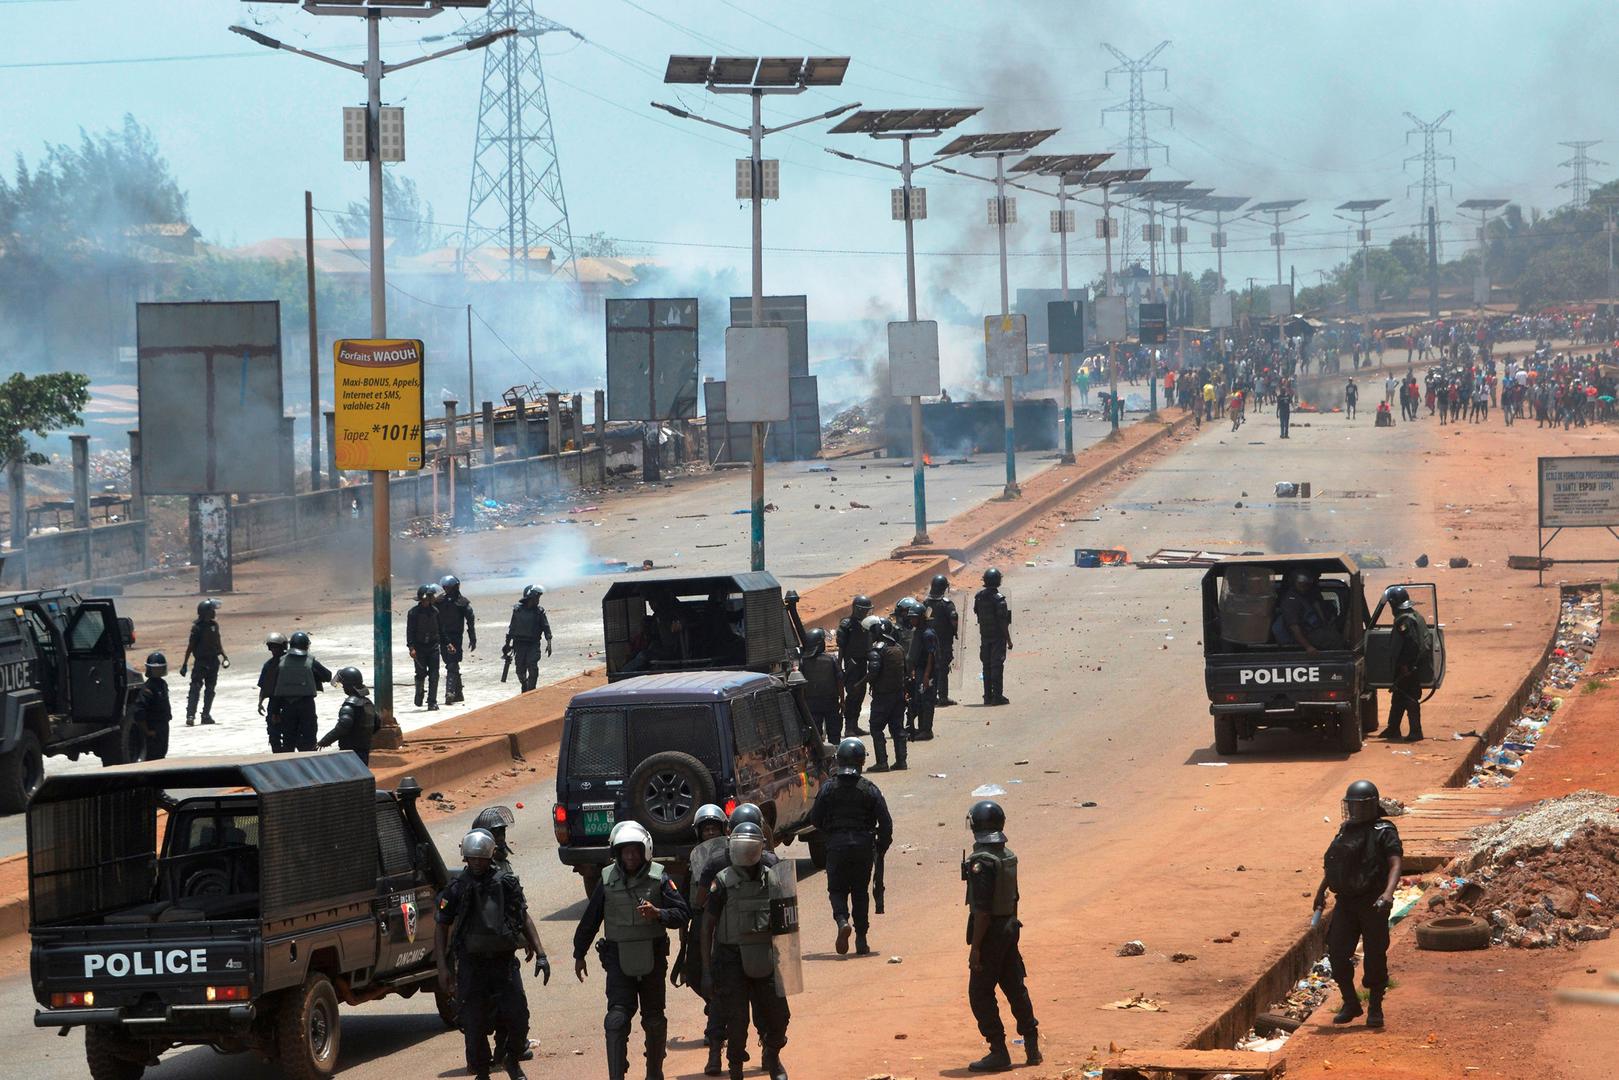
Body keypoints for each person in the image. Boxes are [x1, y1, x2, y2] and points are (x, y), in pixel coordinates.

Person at [574, 821, 690, 1080]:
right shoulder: (606, 880)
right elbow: (591, 919)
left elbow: (683, 913)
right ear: (616, 853)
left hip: (652, 957)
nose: (630, 856)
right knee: (615, 1020)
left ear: (645, 850)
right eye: (625, 851)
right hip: (618, 959)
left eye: (634, 851)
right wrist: (579, 953)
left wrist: (658, 913)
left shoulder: (660, 878)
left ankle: (654, 1073)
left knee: (654, 1020)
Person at [436, 829, 548, 1080]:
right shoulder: (456, 889)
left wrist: (540, 953)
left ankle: (511, 1059)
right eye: (471, 858)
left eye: (480, 858)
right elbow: (441, 926)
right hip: (471, 966)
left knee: (518, 1016)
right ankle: (482, 1071)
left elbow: (523, 916)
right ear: (465, 858)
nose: (476, 862)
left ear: (489, 857)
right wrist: (442, 968)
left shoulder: (505, 883)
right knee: (473, 1023)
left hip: (504, 964)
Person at [702, 821, 791, 1080]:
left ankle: (772, 1055)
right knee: (737, 1022)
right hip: (731, 960)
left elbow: (787, 924)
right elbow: (707, 926)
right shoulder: (722, 882)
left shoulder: (773, 879)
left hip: (765, 957)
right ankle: (736, 1069)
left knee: (779, 1017)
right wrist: (707, 971)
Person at [1313, 780, 1402, 1030]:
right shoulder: (1345, 830)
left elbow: (1395, 863)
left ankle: (1375, 1006)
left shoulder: (1384, 831)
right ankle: (1350, 1002)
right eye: (1351, 805)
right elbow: (1336, 864)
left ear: (1372, 806)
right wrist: (1321, 892)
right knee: (1337, 954)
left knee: (1375, 956)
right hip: (1346, 903)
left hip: (1373, 903)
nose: (1355, 810)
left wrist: (1387, 894)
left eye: (1359, 806)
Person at [962, 800, 1039, 1072]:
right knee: (1014, 986)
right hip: (1009, 927)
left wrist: (976, 949)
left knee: (980, 993)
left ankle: (998, 1051)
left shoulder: (981, 861)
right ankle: (1032, 1045)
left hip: (991, 932)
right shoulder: (1007, 855)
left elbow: (982, 912)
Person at [809, 738, 893, 958]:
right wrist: (881, 847)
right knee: (860, 892)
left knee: (837, 890)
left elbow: (815, 819)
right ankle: (862, 939)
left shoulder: (828, 788)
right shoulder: (869, 789)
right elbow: (886, 823)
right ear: (861, 762)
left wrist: (831, 834)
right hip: (863, 847)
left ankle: (841, 920)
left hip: (836, 846)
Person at [682, 805, 733, 1075]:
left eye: (714, 827)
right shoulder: (694, 861)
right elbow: (687, 901)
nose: (710, 832)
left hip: (729, 920)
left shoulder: (736, 856)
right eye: (705, 828)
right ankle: (713, 1005)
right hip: (702, 919)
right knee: (694, 974)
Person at [1379, 586, 1431, 742]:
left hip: (1409, 665)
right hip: (1414, 664)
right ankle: (1393, 728)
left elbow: (1411, 644)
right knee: (1399, 695)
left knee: (1409, 697)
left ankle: (1416, 731)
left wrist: (1405, 666)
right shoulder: (1414, 615)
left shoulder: (1404, 620)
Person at [275, 631, 332, 752]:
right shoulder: (310, 662)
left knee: (288, 739)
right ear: (307, 646)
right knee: (309, 738)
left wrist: (275, 711)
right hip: (306, 705)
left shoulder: (281, 662)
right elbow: (327, 676)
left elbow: (276, 687)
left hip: (286, 705)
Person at [864, 616, 908, 773]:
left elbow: (874, 672)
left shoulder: (878, 650)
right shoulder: (899, 648)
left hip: (882, 696)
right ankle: (901, 761)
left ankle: (882, 762)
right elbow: (906, 672)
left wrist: (860, 684)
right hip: (898, 695)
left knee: (876, 727)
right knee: (898, 728)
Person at [180, 599, 228, 726]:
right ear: (205, 612)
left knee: (210, 689)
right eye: (211, 610)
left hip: (213, 661)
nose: (213, 613)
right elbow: (190, 647)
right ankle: (190, 715)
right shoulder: (197, 628)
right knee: (195, 688)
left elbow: (217, 643)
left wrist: (224, 656)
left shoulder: (214, 626)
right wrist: (184, 664)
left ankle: (206, 715)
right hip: (201, 662)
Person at [317, 666, 378, 764]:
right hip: (364, 749)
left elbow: (342, 727)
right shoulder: (368, 703)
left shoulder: (349, 706)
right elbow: (377, 723)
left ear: (348, 685)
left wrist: (324, 741)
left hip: (349, 751)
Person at [1276, 570, 1345, 652]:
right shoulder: (1291, 600)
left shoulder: (1306, 598)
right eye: (1301, 583)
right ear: (1294, 582)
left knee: (1335, 636)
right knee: (1334, 639)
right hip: (1303, 636)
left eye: (1306, 583)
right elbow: (1293, 627)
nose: (1304, 586)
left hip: (1311, 633)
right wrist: (1308, 647)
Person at [834, 596, 874, 736]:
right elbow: (841, 647)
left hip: (863, 663)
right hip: (852, 664)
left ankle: (855, 725)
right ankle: (849, 727)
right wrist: (839, 665)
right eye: (864, 610)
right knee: (852, 694)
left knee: (861, 693)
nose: (865, 613)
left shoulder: (867, 624)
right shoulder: (847, 625)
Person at [973, 568, 1013, 706]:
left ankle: (987, 696)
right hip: (997, 638)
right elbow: (1003, 622)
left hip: (985, 636)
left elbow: (977, 613)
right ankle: (997, 696)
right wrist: (1008, 640)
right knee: (997, 666)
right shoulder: (999, 599)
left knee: (986, 666)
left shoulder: (978, 597)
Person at [437, 574, 478, 705]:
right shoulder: (439, 601)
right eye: (445, 587)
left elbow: (470, 619)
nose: (447, 589)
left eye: (449, 587)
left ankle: (450, 693)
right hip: (442, 636)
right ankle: (459, 693)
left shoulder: (462, 602)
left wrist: (472, 637)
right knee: (450, 663)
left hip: (456, 637)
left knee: (452, 663)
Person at [798, 628, 843, 746]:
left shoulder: (802, 662)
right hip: (831, 703)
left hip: (811, 705)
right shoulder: (831, 659)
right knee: (834, 735)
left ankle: (819, 761)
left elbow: (801, 686)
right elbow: (840, 681)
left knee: (815, 737)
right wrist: (842, 701)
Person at [902, 599, 939, 741]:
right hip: (919, 670)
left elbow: (931, 655)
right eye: (910, 618)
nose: (911, 620)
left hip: (926, 671)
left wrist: (926, 675)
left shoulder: (928, 634)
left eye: (914, 618)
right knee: (919, 700)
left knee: (927, 701)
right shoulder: (918, 631)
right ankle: (921, 728)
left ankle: (927, 730)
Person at [505, 585, 552, 694]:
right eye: (537, 597)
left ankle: (531, 691)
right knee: (520, 670)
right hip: (519, 644)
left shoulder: (539, 612)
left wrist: (549, 642)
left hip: (533, 644)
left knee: (533, 667)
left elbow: (546, 627)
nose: (538, 600)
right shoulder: (517, 610)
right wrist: (507, 644)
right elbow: (512, 628)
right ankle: (524, 685)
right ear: (530, 597)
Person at [407, 583, 444, 711]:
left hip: (433, 646)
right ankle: (419, 693)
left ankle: (432, 701)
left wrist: (448, 643)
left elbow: (441, 629)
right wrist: (411, 648)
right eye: (430, 596)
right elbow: (410, 631)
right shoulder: (413, 613)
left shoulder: (435, 611)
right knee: (420, 673)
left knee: (434, 675)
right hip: (419, 647)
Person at [925, 575, 960, 707]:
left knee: (931, 668)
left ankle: (931, 696)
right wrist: (954, 632)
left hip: (929, 642)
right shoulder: (947, 604)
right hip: (943, 642)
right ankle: (943, 697)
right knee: (943, 669)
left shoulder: (926, 603)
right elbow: (954, 621)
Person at [130, 651, 171, 761]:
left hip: (163, 727)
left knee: (162, 755)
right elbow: (139, 712)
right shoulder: (147, 689)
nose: (158, 672)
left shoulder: (162, 685)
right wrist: (147, 731)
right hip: (153, 730)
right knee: (152, 758)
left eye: (160, 669)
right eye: (155, 669)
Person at [256, 632, 290, 752]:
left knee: (287, 734)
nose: (274, 650)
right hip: (277, 702)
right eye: (272, 647)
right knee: (275, 734)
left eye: (276, 647)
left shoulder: (288, 663)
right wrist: (260, 702)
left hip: (287, 702)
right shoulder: (269, 665)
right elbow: (264, 686)